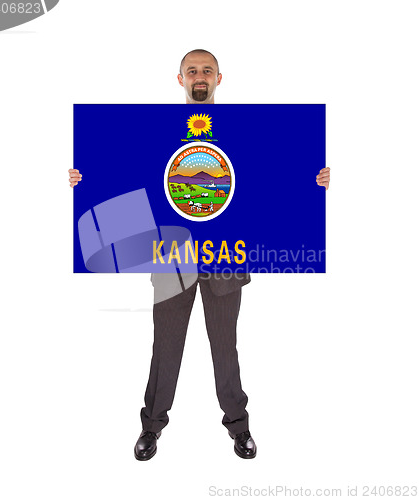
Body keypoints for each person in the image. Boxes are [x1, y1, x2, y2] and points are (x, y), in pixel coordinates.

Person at [69, 49, 331, 461]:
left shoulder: (244, 133)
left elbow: (272, 173)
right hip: (172, 258)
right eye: (192, 70)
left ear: (219, 78)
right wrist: (87, 179)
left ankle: (238, 427)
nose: (199, 76)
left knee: (225, 347)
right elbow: (125, 172)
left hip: (225, 260)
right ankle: (151, 426)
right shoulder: (155, 133)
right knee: (166, 347)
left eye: (206, 70)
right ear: (180, 80)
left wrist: (311, 180)